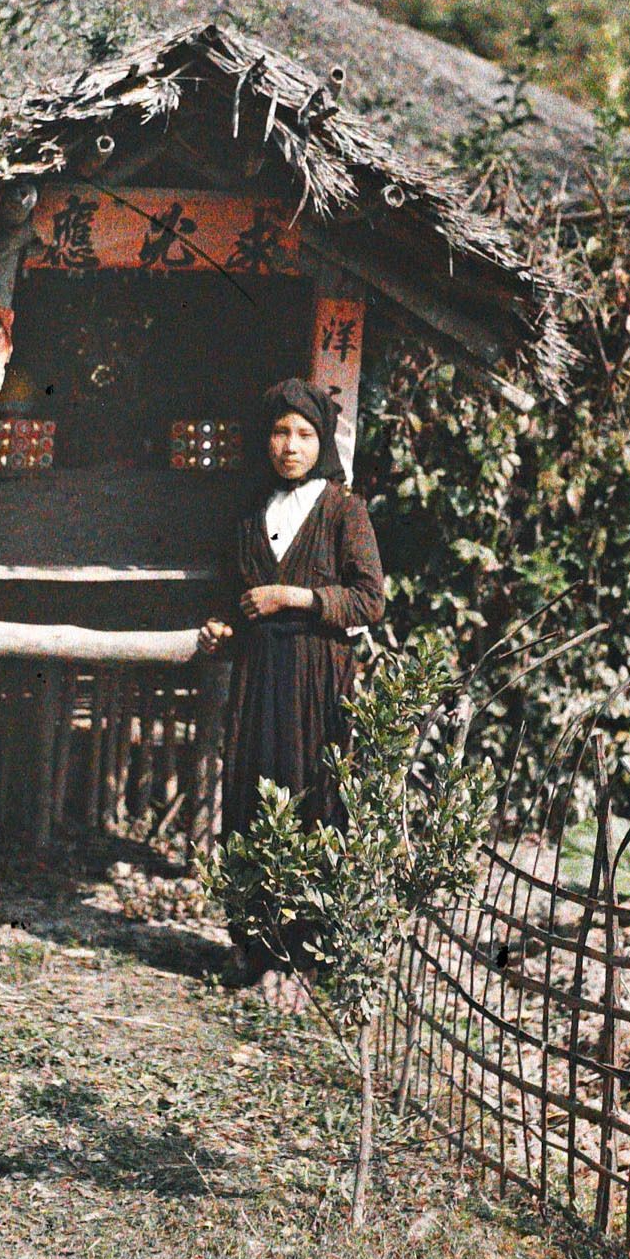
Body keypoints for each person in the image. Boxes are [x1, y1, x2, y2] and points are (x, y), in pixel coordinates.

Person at [199, 377, 385, 1011]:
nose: (291, 446)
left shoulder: (343, 511)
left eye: (304, 434)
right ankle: (254, 951)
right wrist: (223, 625)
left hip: (316, 678)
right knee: (252, 796)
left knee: (310, 799)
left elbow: (370, 599)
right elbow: (234, 594)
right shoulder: (252, 511)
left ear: (321, 440)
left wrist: (295, 597)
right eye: (280, 432)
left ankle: (302, 961)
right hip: (259, 676)